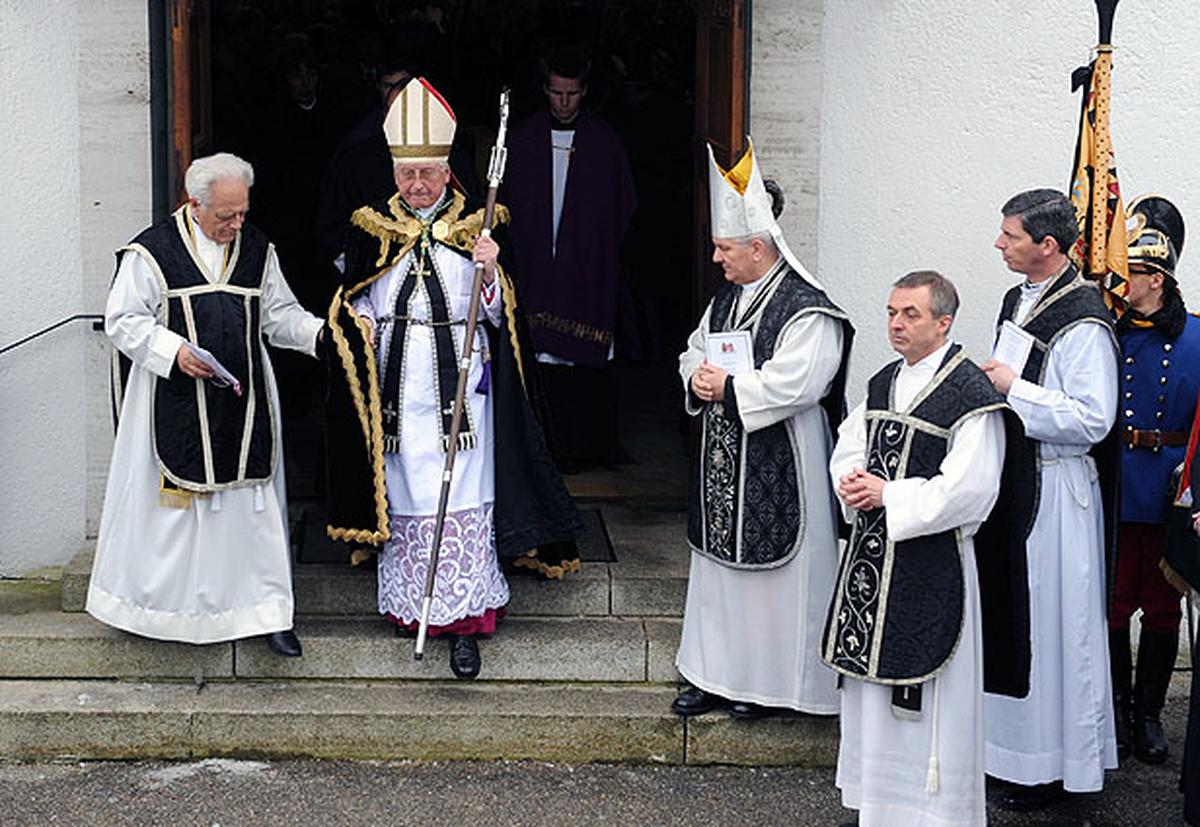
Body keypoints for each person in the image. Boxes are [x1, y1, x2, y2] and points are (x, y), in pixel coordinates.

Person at [323, 77, 583, 679]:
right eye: (407, 173)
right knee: (408, 495)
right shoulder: (371, 228)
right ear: (394, 172)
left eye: (429, 174)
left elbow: (502, 317)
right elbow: (353, 300)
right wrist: (358, 322)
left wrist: (491, 275)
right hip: (395, 388)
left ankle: (464, 628)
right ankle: (412, 610)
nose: (418, 186)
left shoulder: (478, 227)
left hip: (463, 393)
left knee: (460, 497)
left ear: (447, 173)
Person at [87, 152, 325, 655]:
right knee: (172, 517)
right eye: (225, 216)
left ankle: (266, 612)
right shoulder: (152, 253)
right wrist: (174, 351)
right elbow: (123, 319)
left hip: (244, 404)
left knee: (250, 512)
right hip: (174, 398)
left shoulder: (258, 249)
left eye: (242, 214)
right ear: (195, 204)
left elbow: (279, 315)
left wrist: (325, 336)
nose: (237, 224)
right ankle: (156, 613)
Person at [823, 270, 1034, 827]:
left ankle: (932, 813)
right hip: (873, 559)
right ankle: (878, 805)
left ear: (944, 322)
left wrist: (890, 494)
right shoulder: (883, 381)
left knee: (928, 702)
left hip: (933, 561)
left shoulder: (970, 394)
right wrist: (849, 480)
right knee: (871, 698)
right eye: (892, 311)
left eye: (910, 314)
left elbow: (972, 490)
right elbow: (850, 443)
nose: (895, 323)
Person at [672, 139, 853, 719]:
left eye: (725, 249)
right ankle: (712, 674)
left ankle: (772, 688)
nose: (718, 259)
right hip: (725, 456)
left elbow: (802, 381)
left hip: (784, 457)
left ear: (758, 246)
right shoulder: (726, 301)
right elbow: (694, 351)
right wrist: (697, 376)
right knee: (719, 575)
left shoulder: (809, 309)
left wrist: (729, 389)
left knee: (778, 584)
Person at [981, 188, 1120, 809]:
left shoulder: (1084, 319)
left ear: (1049, 246)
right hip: (1016, 479)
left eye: (1010, 236)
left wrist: (1014, 391)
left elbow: (1094, 419)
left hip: (1058, 490)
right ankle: (1010, 753)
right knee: (1016, 615)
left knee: (1053, 624)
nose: (999, 244)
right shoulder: (1020, 298)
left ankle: (1056, 766)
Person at [502, 46, 637, 472]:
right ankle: (544, 449)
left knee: (582, 364)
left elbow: (623, 206)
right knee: (542, 361)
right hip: (536, 265)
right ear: (544, 90)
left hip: (586, 270)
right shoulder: (522, 140)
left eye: (572, 94)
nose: (564, 102)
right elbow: (505, 206)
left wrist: (592, 250)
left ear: (584, 93)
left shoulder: (604, 143)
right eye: (557, 93)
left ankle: (585, 448)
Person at [1108, 195, 1197, 765]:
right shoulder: (1105, 333)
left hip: (1168, 492)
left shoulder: (1196, 336)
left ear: (1158, 279)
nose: (1123, 282)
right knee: (1114, 606)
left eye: (1132, 273)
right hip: (1116, 487)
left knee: (1163, 609)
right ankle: (1116, 710)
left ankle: (1148, 716)